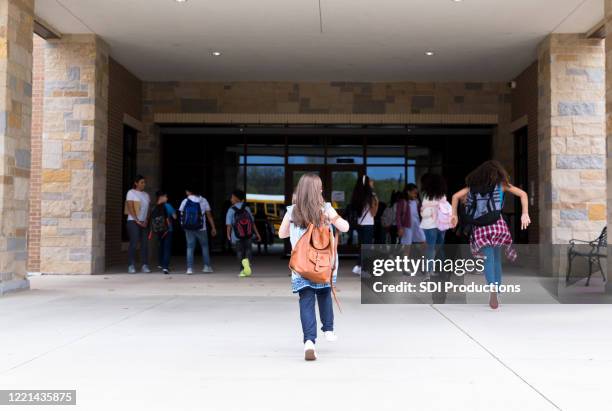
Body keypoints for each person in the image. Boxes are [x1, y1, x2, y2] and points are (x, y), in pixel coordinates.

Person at [278, 173, 349, 361]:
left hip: (301, 266)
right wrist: (332, 219)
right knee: (325, 294)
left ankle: (309, 342)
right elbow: (345, 227)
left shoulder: (292, 211)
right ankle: (328, 329)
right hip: (323, 264)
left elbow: (282, 234)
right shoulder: (326, 209)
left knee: (306, 301)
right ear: (317, 190)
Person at [450, 160, 530, 309]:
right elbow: (523, 194)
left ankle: (492, 289)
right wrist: (525, 213)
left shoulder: (472, 187)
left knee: (488, 259)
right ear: (498, 173)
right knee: (497, 258)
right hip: (497, 225)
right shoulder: (501, 185)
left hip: (481, 227)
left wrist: (454, 215)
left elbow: (455, 196)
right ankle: (497, 290)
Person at [179, 187, 217, 274]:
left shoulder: (185, 201)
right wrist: (213, 227)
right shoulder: (203, 200)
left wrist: (183, 226)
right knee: (204, 246)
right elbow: (209, 215)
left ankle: (189, 268)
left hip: (188, 228)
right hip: (201, 227)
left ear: (189, 191)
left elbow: (181, 214)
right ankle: (207, 267)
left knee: (190, 247)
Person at [225, 189, 262, 277]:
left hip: (237, 235)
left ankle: (242, 269)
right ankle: (247, 264)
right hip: (248, 234)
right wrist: (257, 234)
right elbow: (252, 223)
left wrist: (228, 235)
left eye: (232, 197)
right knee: (248, 250)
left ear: (235, 198)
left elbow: (228, 225)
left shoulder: (231, 210)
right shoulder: (247, 208)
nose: (231, 199)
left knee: (239, 252)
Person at [349, 175, 378, 275]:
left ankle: (358, 266)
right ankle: (364, 269)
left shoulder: (358, 195)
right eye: (370, 181)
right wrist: (376, 202)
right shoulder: (371, 196)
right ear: (367, 183)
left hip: (360, 224)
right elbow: (373, 213)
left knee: (362, 246)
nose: (372, 182)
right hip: (368, 224)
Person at [420, 174, 449, 268]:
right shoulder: (442, 195)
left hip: (430, 225)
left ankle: (429, 270)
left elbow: (425, 213)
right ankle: (443, 269)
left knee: (430, 249)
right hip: (441, 225)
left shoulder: (427, 196)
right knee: (439, 248)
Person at [125, 175, 151, 274]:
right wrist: (137, 220)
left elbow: (148, 209)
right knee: (134, 242)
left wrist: (146, 220)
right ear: (136, 183)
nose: (144, 184)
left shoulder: (146, 195)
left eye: (144, 182)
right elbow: (130, 207)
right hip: (133, 222)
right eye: (142, 182)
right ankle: (131, 265)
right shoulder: (131, 193)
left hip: (144, 222)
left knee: (145, 243)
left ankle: (145, 265)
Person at [150, 191, 177, 274]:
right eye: (166, 196)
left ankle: (160, 263)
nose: (167, 198)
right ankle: (165, 267)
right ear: (161, 197)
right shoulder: (168, 206)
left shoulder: (153, 207)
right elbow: (175, 217)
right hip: (168, 230)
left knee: (160, 246)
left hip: (158, 230)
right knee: (167, 248)